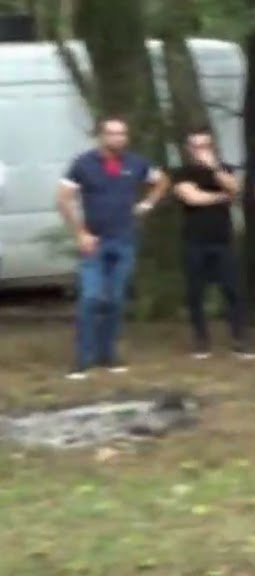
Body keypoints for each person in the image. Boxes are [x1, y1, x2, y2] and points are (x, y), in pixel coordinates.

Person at [56, 116, 169, 379]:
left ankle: (108, 355)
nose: (118, 138)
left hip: (125, 240)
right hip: (94, 241)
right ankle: (83, 359)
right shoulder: (83, 164)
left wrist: (147, 204)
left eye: (122, 134)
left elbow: (162, 181)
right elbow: (63, 199)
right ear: (101, 136)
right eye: (112, 133)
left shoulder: (136, 162)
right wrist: (80, 233)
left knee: (116, 300)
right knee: (91, 298)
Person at [171, 127, 255, 359]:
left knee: (233, 290)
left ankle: (240, 339)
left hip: (223, 240)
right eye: (196, 146)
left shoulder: (224, 169)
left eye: (206, 146)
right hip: (194, 241)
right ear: (188, 150)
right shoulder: (181, 173)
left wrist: (215, 169)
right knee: (195, 292)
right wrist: (221, 197)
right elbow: (192, 198)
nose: (201, 151)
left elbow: (235, 189)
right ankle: (201, 340)